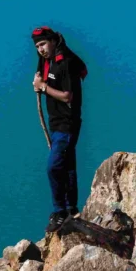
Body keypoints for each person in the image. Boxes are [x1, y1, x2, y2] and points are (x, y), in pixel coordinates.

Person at [31, 26, 88, 232]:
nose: (41, 49)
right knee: (67, 165)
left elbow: (67, 96)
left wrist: (43, 87)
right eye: (37, 46)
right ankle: (72, 209)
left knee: (54, 166)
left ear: (53, 41)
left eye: (43, 44)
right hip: (56, 122)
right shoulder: (47, 60)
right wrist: (39, 83)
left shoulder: (66, 63)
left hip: (67, 123)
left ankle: (60, 211)